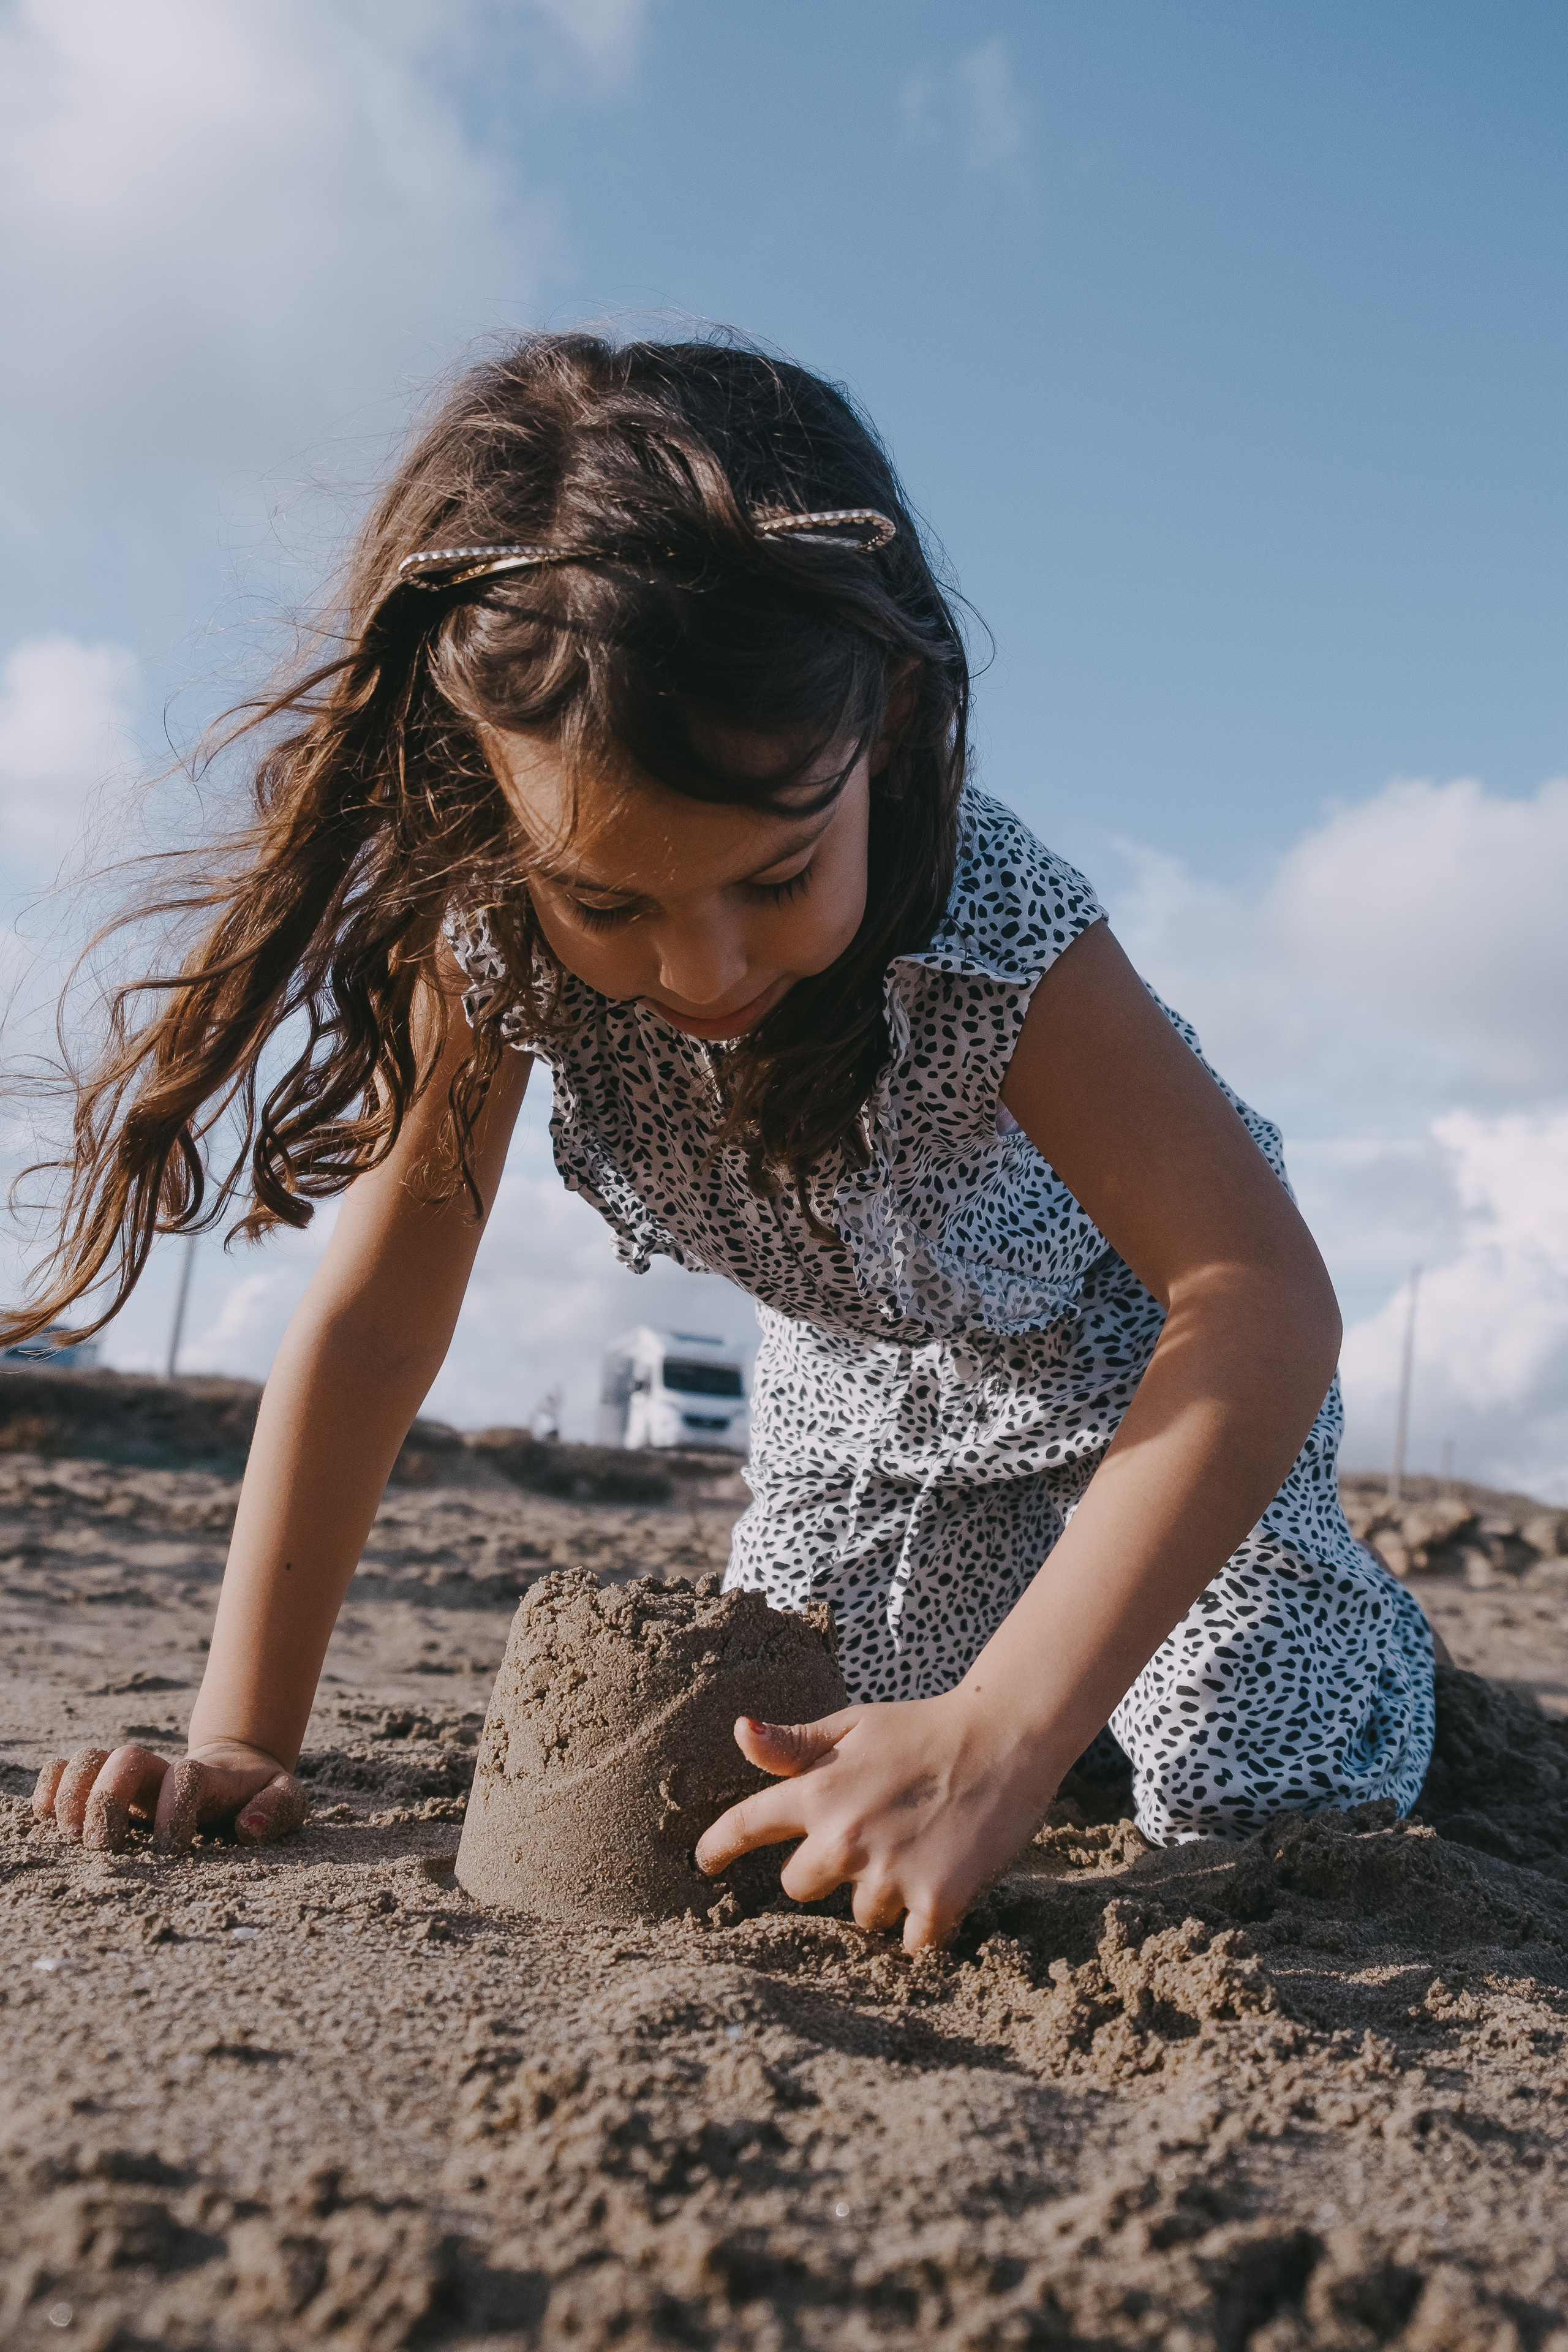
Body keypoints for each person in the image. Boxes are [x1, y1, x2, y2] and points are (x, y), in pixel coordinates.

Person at [20, 333, 1435, 1948]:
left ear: (889, 723)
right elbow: (381, 1317)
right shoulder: (487, 938)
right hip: (863, 1400)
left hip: (1145, 1375)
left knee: (1248, 1770)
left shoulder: (995, 928)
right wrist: (241, 1738)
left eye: (773, 879)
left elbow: (1253, 1297)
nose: (703, 973)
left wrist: (1010, 1730)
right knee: (768, 1759)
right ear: (486, 798)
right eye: (611, 903)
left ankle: (1353, 1636)